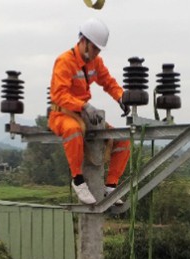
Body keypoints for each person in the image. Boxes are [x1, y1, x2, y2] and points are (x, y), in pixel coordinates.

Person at [48, 17, 130, 205]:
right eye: (94, 48)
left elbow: (108, 82)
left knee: (122, 138)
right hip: (62, 113)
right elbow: (59, 95)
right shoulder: (64, 61)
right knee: (73, 131)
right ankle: (78, 180)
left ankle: (109, 187)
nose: (96, 53)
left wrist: (121, 97)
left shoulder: (96, 62)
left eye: (98, 50)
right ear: (83, 41)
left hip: (85, 115)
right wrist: (83, 105)